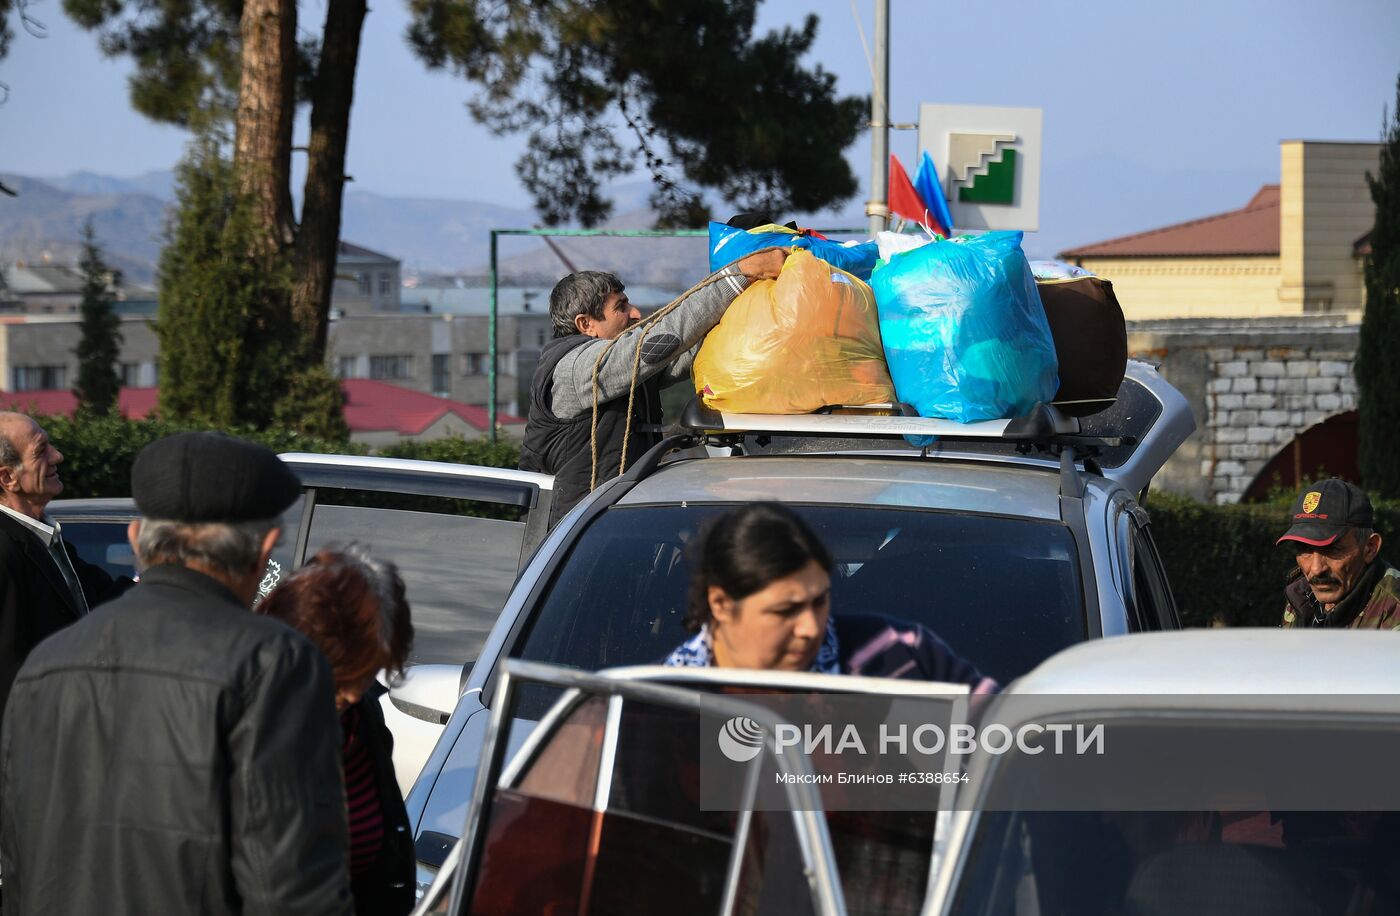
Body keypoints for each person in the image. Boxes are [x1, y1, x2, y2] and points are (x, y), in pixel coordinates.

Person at [0, 431, 352, 916]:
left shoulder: (44, 666)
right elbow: (289, 883)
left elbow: (18, 863)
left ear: (135, 539)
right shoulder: (275, 661)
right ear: (265, 547)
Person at [519, 247, 788, 525]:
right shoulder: (575, 368)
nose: (636, 313)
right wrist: (739, 274)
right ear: (586, 324)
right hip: (579, 534)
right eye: (621, 307)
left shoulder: (622, 370)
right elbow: (662, 341)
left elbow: (685, 352)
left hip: (619, 519)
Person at [664, 502, 996, 691]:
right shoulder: (655, 706)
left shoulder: (898, 651)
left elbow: (1012, 746)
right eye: (786, 610)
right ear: (721, 604)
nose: (811, 627)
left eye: (820, 601)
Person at [258, 547, 416, 916]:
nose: (354, 692)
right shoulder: (246, 725)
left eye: (369, 671)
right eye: (343, 674)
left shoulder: (363, 723)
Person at [0, 412, 129, 731]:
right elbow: (10, 673)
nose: (58, 455)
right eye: (41, 450)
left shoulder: (43, 537)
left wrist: (180, 583)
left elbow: (105, 598)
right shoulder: (4, 549)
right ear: (7, 478)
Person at [1277, 477, 1400, 629]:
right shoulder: (1301, 598)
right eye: (1305, 550)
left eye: (1333, 550)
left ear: (1370, 547)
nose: (1316, 569)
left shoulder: (1394, 609)